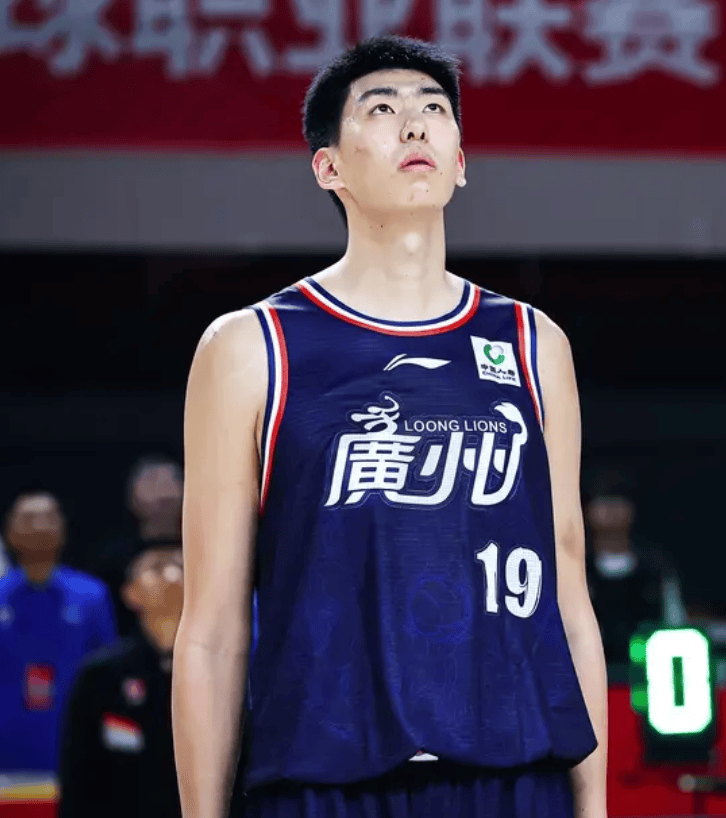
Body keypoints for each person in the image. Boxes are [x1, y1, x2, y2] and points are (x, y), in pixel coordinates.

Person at [172, 35, 607, 818]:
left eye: (434, 109)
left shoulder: (532, 343)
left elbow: (568, 594)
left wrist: (596, 804)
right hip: (327, 780)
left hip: (515, 774)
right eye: (381, 109)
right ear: (328, 167)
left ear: (460, 162)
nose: (415, 124)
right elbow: (212, 630)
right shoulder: (251, 346)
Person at [58, 545, 184, 818]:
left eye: (180, 565)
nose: (172, 573)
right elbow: (79, 771)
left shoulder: (220, 670)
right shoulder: (103, 673)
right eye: (156, 567)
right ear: (130, 594)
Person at [0, 491, 117, 772]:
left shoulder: (92, 595)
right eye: (28, 519)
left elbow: (109, 674)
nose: (39, 526)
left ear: (63, 530)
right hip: (7, 750)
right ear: (9, 532)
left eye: (48, 518)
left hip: (75, 749)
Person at [585, 467, 686, 667]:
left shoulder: (656, 569)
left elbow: (676, 626)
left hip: (648, 672)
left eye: (618, 502)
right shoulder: (576, 570)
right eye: (604, 502)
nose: (611, 510)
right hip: (590, 672)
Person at [91, 455, 183, 637]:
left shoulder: (205, 552)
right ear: (133, 497)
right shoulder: (113, 559)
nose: (163, 493)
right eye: (152, 484)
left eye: (169, 483)